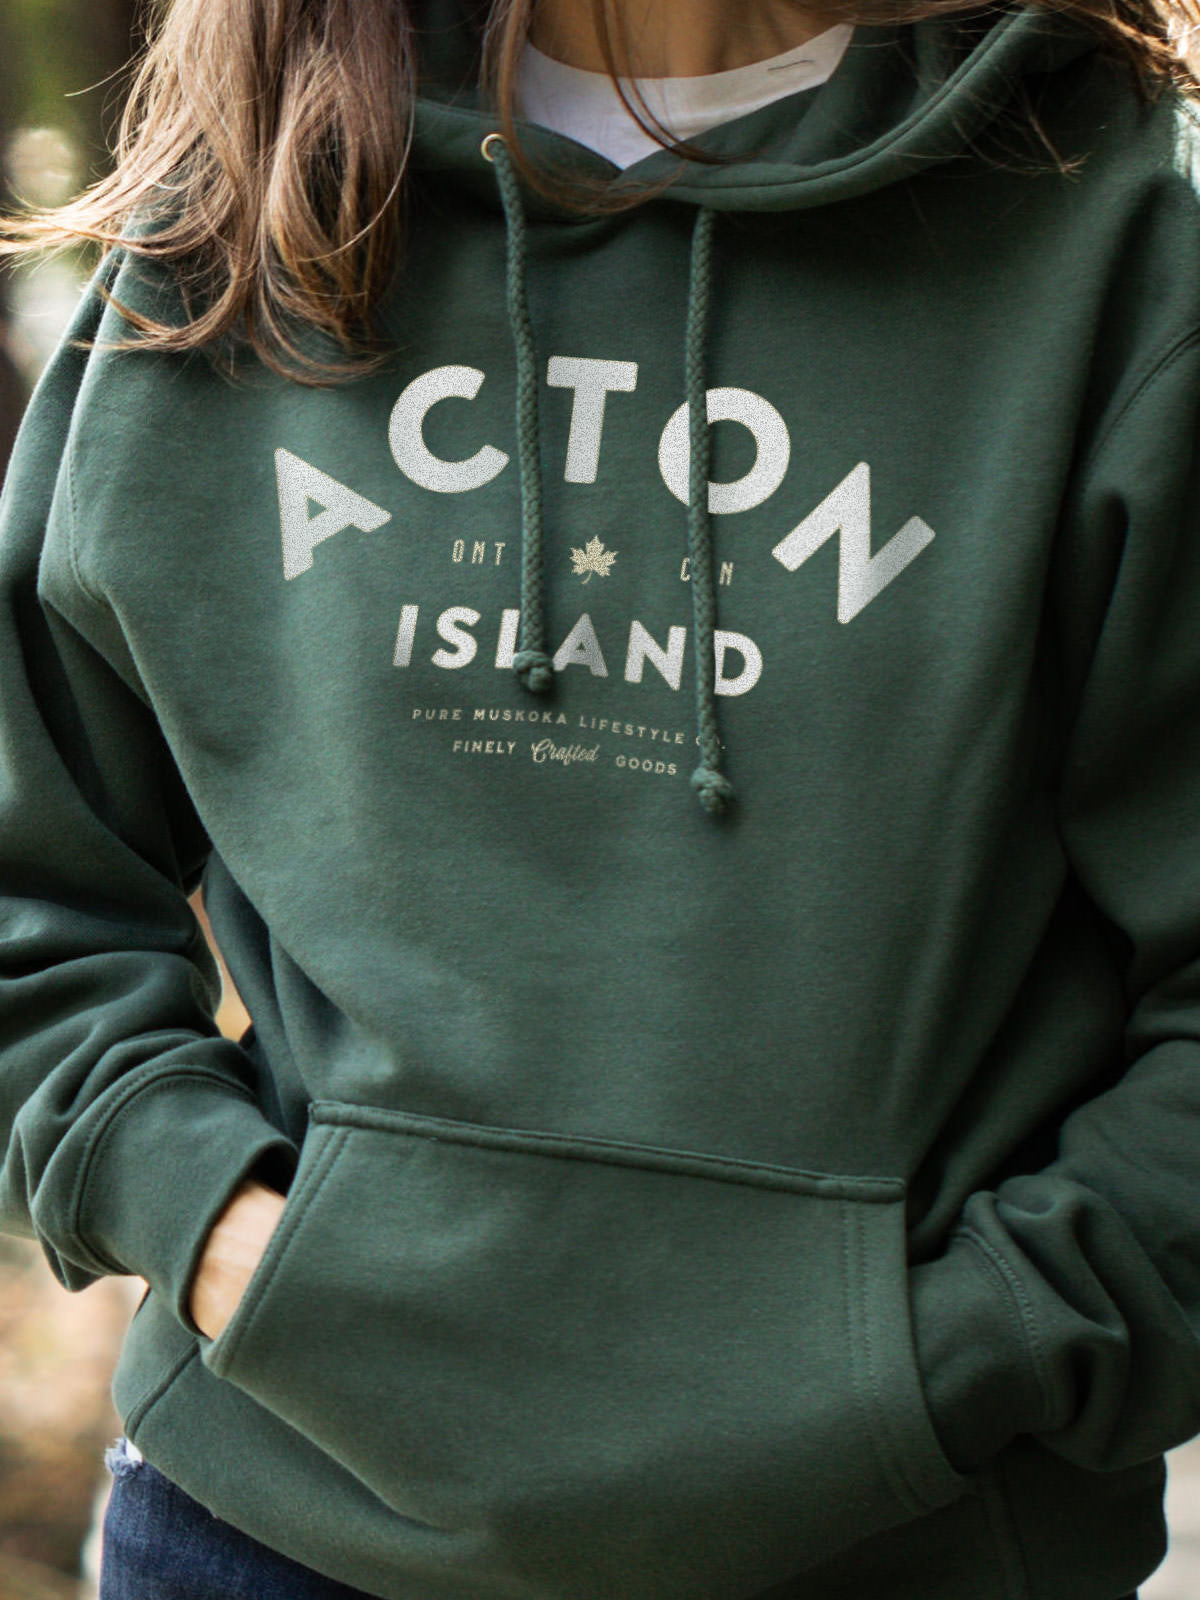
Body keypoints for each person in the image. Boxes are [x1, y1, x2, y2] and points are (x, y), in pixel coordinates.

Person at [1, 0, 1198, 1591]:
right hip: (268, 1526)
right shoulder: (257, 194)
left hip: (902, 1546)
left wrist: (962, 1354)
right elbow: (35, 873)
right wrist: (219, 1232)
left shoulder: (1108, 235)